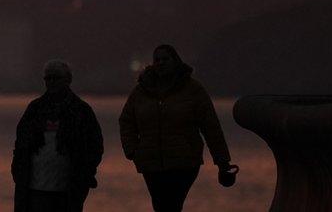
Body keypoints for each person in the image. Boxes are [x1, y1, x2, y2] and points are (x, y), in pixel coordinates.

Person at [119, 44, 236, 212]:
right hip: (150, 162)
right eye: (157, 60)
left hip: (184, 161)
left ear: (175, 61)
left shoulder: (193, 89)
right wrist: (132, 150)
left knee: (171, 204)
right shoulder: (141, 90)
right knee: (161, 206)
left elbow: (211, 127)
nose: (160, 63)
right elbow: (126, 121)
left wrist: (223, 162)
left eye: (165, 59)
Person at [12, 60, 104, 212]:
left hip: (68, 191)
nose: (52, 82)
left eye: (56, 78)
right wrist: (18, 171)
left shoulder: (81, 110)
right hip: (34, 188)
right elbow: (21, 145)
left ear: (68, 80)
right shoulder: (34, 109)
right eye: (48, 78)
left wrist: (84, 175)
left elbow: (95, 146)